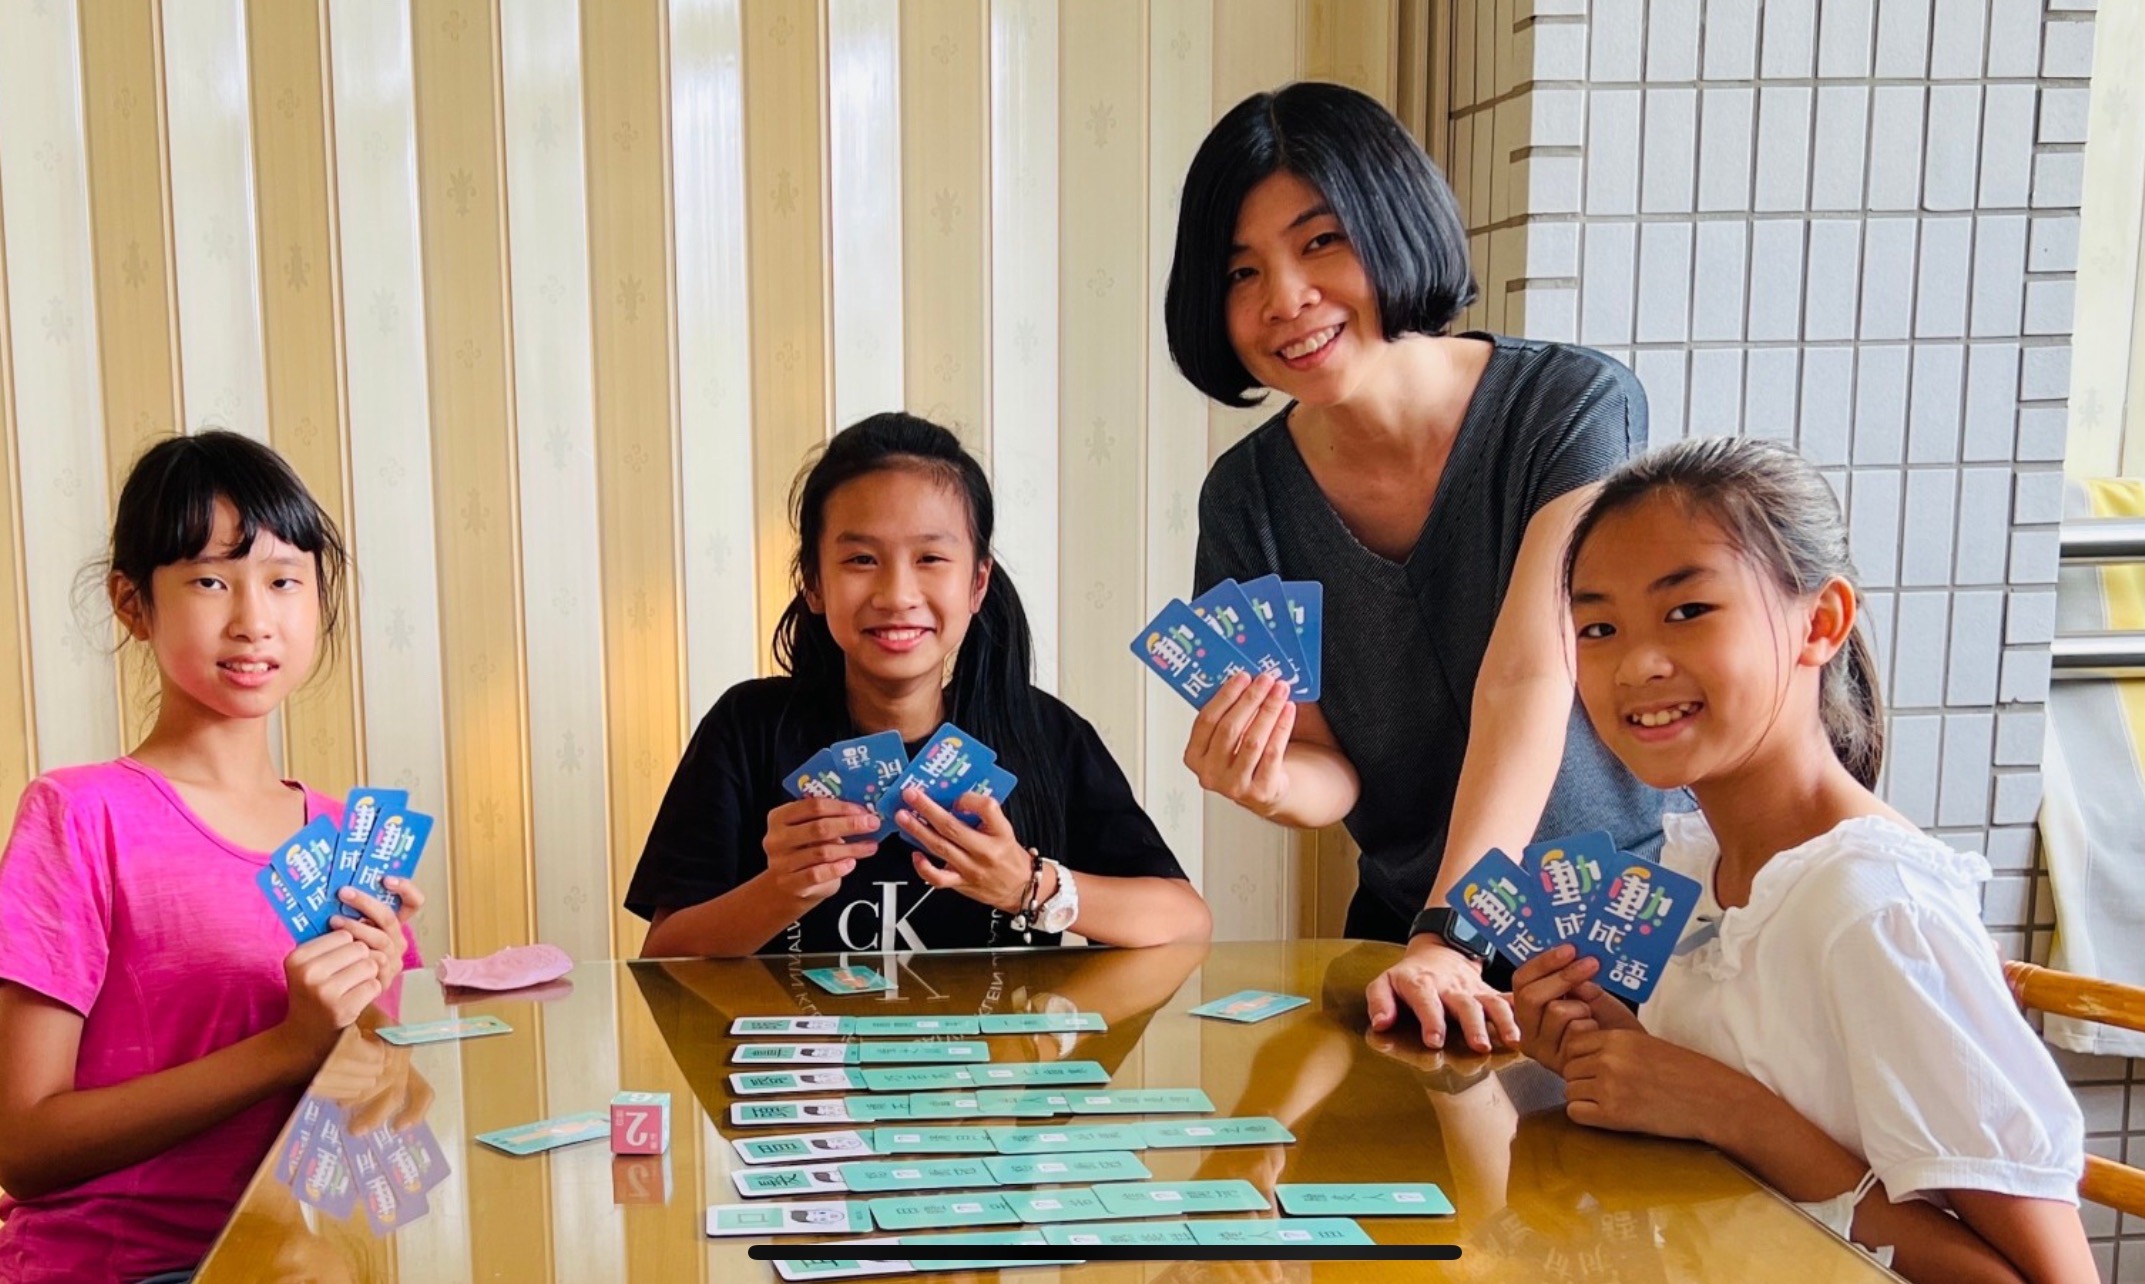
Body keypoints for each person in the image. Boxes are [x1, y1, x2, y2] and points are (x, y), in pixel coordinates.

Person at [1165, 80, 1685, 1052]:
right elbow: (1329, 770)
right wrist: (1265, 781)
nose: (1285, 299)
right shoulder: (1244, 498)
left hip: (1602, 940)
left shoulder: (1571, 406)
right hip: (1407, 946)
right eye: (1240, 271)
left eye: (1322, 241)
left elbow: (1528, 676)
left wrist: (1454, 934)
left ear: (1393, 222)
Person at [1512, 437, 2090, 1282]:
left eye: (1687, 611)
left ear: (1818, 623)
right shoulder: (1702, 872)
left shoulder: (1873, 910)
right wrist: (1609, 1052)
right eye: (1597, 628)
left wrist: (1733, 1113)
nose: (1636, 665)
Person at [0, 431, 423, 1284]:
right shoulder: (78, 816)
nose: (253, 620)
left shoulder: (345, 835)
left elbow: (374, 1134)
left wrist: (373, 1023)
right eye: (208, 581)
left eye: (283, 580)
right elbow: (26, 1148)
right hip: (125, 1268)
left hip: (294, 1261)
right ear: (132, 604)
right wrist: (287, 1046)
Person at [628, 412, 1211, 957]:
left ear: (977, 583)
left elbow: (1186, 920)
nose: (897, 595)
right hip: (810, 1040)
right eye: (861, 560)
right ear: (814, 583)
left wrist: (1028, 885)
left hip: (1000, 1041)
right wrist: (779, 890)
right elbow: (664, 956)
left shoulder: (1045, 734)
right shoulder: (748, 728)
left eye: (930, 558)